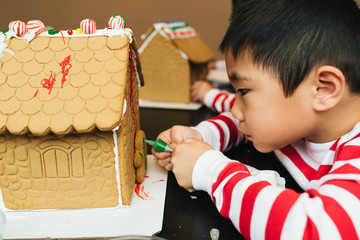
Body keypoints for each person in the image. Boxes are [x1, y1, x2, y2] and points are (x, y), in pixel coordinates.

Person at [152, 0, 360, 239]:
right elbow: (242, 119)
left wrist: (208, 169)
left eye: (243, 91)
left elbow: (312, 230)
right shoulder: (303, 118)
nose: (237, 110)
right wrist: (201, 136)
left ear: (324, 89)